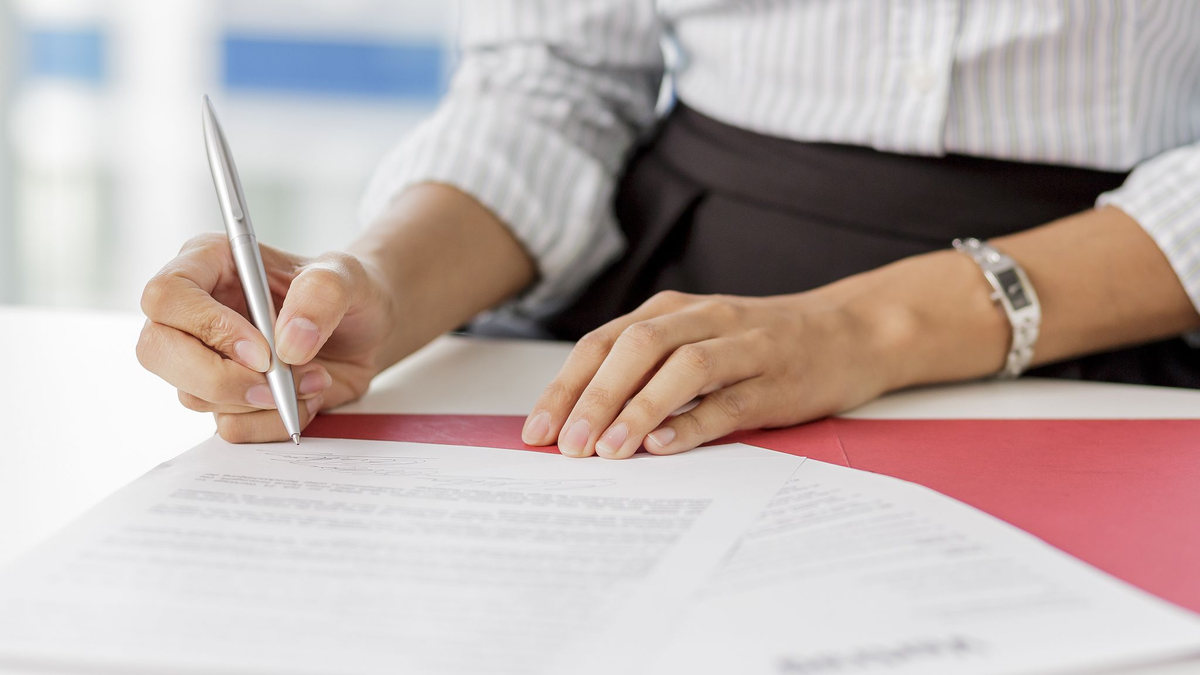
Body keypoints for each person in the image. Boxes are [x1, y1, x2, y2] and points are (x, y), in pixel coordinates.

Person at [137, 1, 1200, 459]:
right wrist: (376, 286)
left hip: (1117, 307)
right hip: (660, 326)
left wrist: (865, 331)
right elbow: (556, 84)